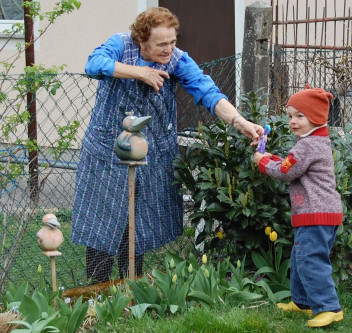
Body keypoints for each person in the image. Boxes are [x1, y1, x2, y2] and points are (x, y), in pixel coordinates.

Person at [71, 7, 263, 283]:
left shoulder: (177, 60)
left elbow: (206, 91)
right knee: (103, 221)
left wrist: (239, 121)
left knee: (136, 221)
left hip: (149, 152)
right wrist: (139, 72)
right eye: (162, 44)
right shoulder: (121, 45)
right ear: (142, 41)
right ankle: (97, 289)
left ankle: (131, 286)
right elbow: (93, 64)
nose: (169, 49)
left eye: (173, 42)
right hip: (106, 151)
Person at [253, 86, 344, 328]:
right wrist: (270, 158)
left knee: (311, 260)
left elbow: (286, 170)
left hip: (316, 214)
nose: (293, 121)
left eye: (300, 116)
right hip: (318, 213)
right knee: (300, 258)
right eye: (291, 115)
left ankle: (329, 308)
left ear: (315, 116)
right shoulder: (314, 140)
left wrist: (263, 163)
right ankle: (303, 303)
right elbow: (289, 164)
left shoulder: (307, 145)